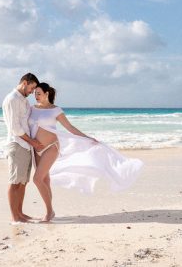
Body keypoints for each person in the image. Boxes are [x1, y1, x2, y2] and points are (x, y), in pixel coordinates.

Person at [29, 82, 143, 222]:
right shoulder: (32, 108)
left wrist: (87, 138)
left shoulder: (56, 110)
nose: (36, 96)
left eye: (39, 93)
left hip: (51, 147)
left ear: (47, 94)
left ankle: (49, 212)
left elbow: (70, 128)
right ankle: (49, 211)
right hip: (36, 148)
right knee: (45, 179)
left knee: (37, 179)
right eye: (35, 93)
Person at [2, 73, 44, 223]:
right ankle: (15, 217)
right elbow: (15, 128)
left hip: (26, 145)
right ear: (25, 83)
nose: (32, 92)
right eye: (31, 88)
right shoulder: (12, 99)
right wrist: (32, 142)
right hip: (17, 144)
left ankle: (20, 213)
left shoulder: (24, 101)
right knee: (15, 182)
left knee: (23, 182)